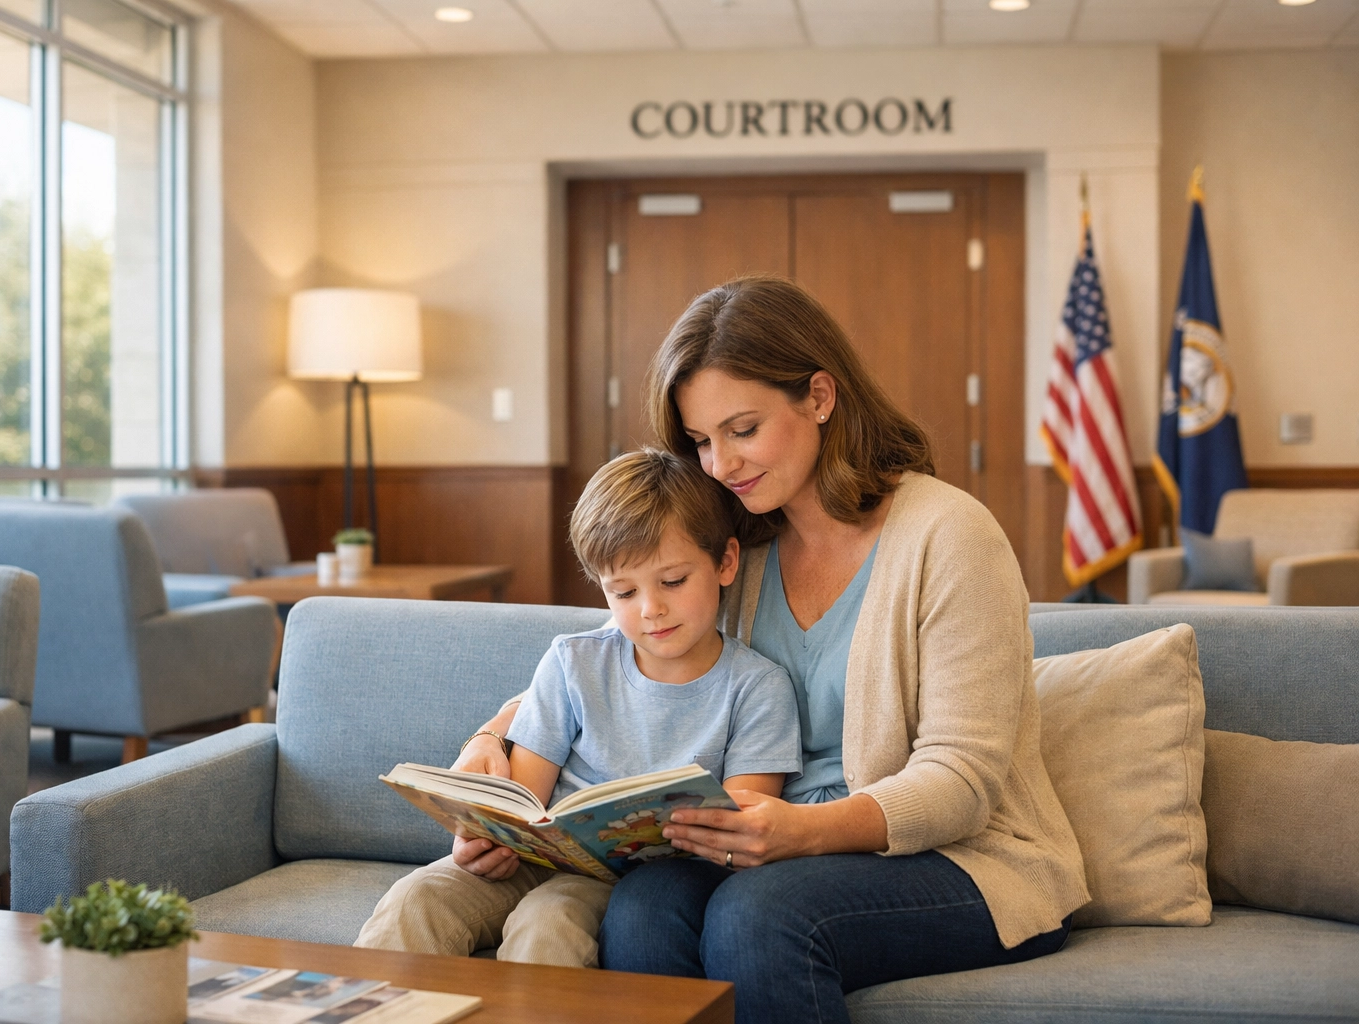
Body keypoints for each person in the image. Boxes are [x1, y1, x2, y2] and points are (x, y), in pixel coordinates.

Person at [454, 277, 1089, 1023]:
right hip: (761, 840)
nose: (719, 464)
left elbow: (962, 781)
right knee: (642, 909)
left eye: (742, 429)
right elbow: (619, 654)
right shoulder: (740, 543)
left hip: (963, 862)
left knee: (760, 918)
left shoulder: (949, 536)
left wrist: (800, 832)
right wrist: (491, 740)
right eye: (699, 440)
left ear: (819, 397)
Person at [355, 447, 802, 968]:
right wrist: (485, 839)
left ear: (725, 562)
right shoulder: (574, 662)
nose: (650, 609)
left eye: (673, 582)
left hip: (632, 881)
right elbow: (524, 796)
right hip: (535, 857)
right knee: (415, 900)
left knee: (549, 924)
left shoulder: (758, 688)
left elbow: (743, 829)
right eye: (623, 591)